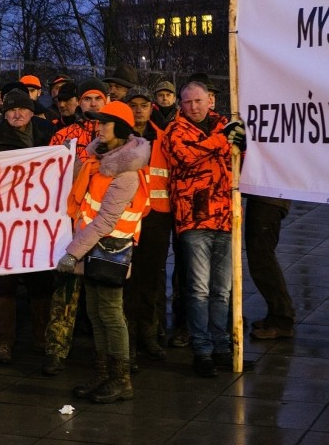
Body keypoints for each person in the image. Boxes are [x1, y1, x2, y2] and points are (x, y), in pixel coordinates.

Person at [56, 100, 150, 404]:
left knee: (110, 314)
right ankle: (103, 373)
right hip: (94, 248)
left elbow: (106, 220)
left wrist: (72, 252)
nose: (99, 128)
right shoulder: (102, 161)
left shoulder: (125, 173)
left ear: (119, 128)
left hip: (111, 251)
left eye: (105, 123)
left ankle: (121, 380)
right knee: (96, 313)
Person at [162, 81, 246, 377]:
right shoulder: (176, 131)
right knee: (198, 289)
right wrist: (222, 141)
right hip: (194, 218)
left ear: (209, 101)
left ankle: (221, 347)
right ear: (180, 105)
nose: (193, 107)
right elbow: (185, 158)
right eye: (187, 102)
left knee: (221, 290)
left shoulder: (227, 125)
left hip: (225, 216)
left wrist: (239, 146)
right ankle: (202, 350)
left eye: (197, 101)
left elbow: (238, 163)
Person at [0, 89, 56, 363]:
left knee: (41, 284)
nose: (16, 114)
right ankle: (3, 342)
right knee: (5, 284)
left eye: (22, 109)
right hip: (5, 224)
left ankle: (42, 337)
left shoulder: (49, 140)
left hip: (39, 223)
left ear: (32, 112)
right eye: (11, 110)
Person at [41, 77, 106, 376]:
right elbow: (49, 177)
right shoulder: (63, 136)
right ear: (79, 102)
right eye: (88, 99)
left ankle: (105, 355)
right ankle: (55, 351)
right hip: (70, 224)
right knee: (65, 290)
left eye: (98, 99)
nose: (92, 104)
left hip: (105, 228)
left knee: (104, 294)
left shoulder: (115, 138)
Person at [123, 86, 171, 362]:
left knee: (151, 278)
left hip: (157, 217)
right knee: (127, 279)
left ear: (151, 107)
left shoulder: (163, 139)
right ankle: (128, 338)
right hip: (128, 218)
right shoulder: (120, 138)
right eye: (134, 105)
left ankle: (148, 334)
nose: (138, 109)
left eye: (143, 105)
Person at [246, 195, 295, 339]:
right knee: (260, 255)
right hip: (265, 196)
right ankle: (280, 314)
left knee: (261, 256)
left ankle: (282, 318)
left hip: (268, 197)